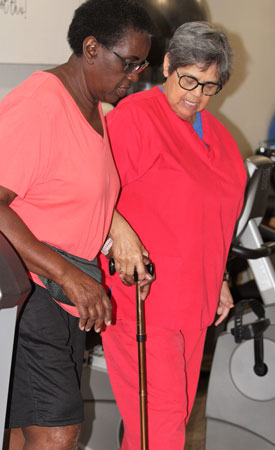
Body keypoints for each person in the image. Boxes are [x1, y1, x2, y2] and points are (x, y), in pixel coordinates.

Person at [0, 1, 155, 449]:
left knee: (21, 430)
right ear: (91, 48)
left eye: (141, 64)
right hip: (34, 294)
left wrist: (114, 239)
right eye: (128, 63)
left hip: (65, 297)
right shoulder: (39, 104)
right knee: (58, 433)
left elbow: (65, 196)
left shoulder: (91, 108)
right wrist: (68, 275)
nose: (135, 76)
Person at [100, 21, 247, 449]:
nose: (195, 95)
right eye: (188, 79)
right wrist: (118, 230)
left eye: (209, 86)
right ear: (167, 64)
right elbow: (90, 195)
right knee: (159, 429)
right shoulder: (134, 119)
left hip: (194, 302)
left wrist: (218, 279)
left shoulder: (218, 136)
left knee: (167, 424)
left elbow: (215, 216)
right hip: (143, 303)